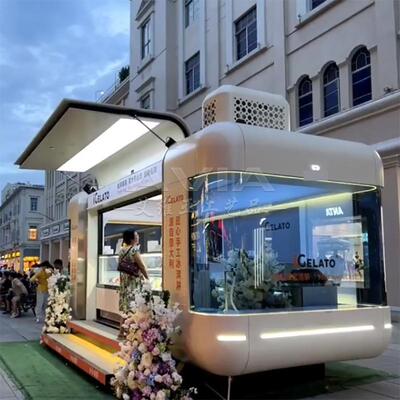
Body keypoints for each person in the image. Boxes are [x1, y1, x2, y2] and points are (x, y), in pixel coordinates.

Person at [118, 229, 148, 339]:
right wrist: (147, 278)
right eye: (136, 235)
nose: (138, 237)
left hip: (124, 283)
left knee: (125, 309)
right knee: (133, 308)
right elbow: (141, 266)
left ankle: (121, 332)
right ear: (132, 239)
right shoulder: (134, 250)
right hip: (133, 283)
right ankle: (130, 334)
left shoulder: (121, 250)